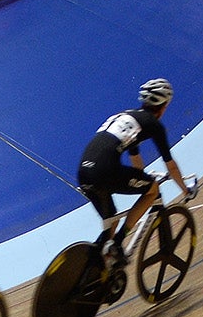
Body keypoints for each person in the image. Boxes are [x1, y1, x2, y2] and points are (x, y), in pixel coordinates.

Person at [76, 79, 195, 256]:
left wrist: (141, 178)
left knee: (111, 222)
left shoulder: (127, 118)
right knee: (152, 190)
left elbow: (135, 159)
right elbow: (171, 166)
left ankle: (98, 267)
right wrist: (186, 191)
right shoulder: (154, 125)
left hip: (84, 173)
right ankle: (118, 242)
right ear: (164, 106)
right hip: (105, 172)